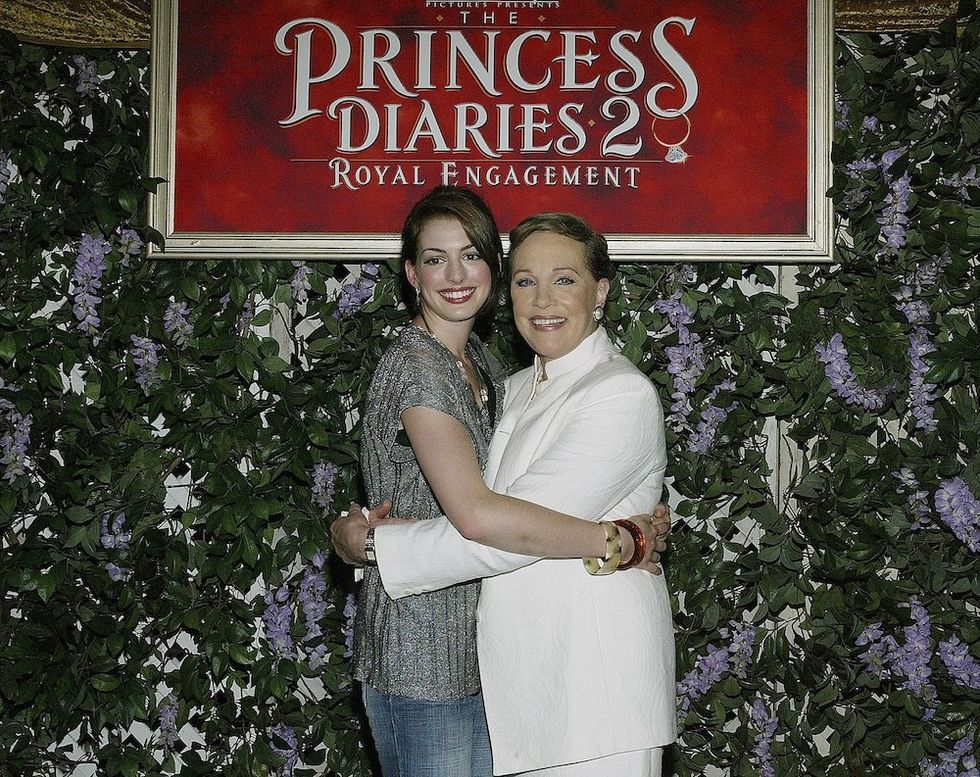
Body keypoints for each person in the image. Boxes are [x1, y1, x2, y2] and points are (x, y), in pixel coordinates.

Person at [340, 188, 669, 777]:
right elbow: (487, 516)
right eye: (526, 281)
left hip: (585, 691)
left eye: (564, 280)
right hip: (444, 663)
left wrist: (375, 546)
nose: (542, 300)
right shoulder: (503, 382)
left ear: (601, 291)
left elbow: (497, 522)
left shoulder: (611, 392)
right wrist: (612, 539)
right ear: (411, 274)